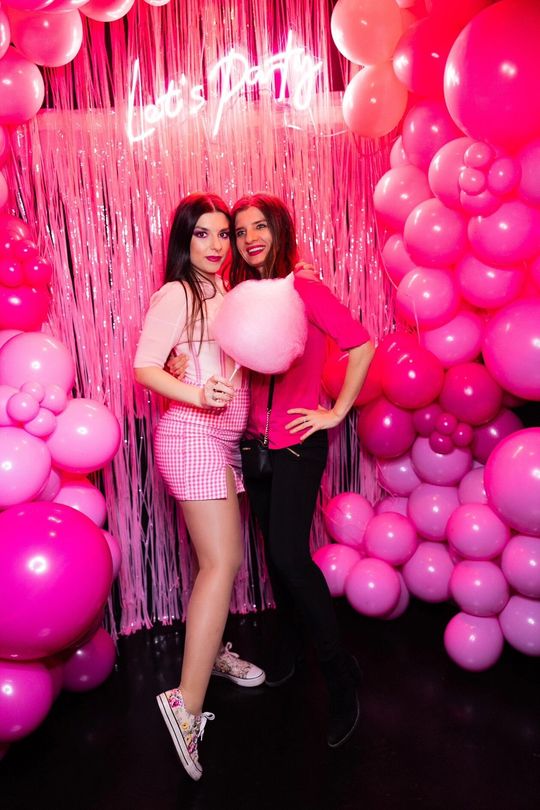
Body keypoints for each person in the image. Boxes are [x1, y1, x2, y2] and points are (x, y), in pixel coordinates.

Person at [170, 192, 375, 748]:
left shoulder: (303, 288)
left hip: (297, 445)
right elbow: (218, 353)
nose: (248, 239)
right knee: (274, 561)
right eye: (239, 232)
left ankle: (340, 677)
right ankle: (290, 650)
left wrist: (335, 412)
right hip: (252, 448)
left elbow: (361, 344)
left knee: (289, 556)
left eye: (259, 227)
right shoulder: (240, 295)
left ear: (279, 230)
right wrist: (178, 364)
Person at [133, 192, 265, 782]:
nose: (215, 246)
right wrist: (194, 392)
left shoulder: (229, 294)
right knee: (222, 563)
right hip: (191, 435)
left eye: (223, 234)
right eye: (202, 234)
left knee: (215, 563)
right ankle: (185, 706)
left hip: (226, 441)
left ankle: (210, 653)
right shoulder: (177, 293)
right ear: (184, 242)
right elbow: (144, 366)